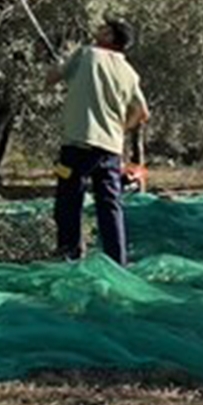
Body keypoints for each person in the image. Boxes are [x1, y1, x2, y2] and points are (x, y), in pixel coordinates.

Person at [46, 19, 149, 266]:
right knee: (110, 207)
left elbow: (51, 79)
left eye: (104, 30)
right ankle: (118, 261)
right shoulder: (129, 73)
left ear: (112, 39)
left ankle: (68, 256)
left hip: (77, 144)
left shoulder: (86, 54)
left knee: (68, 202)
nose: (97, 33)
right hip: (110, 150)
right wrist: (120, 129)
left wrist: (59, 66)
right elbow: (143, 113)